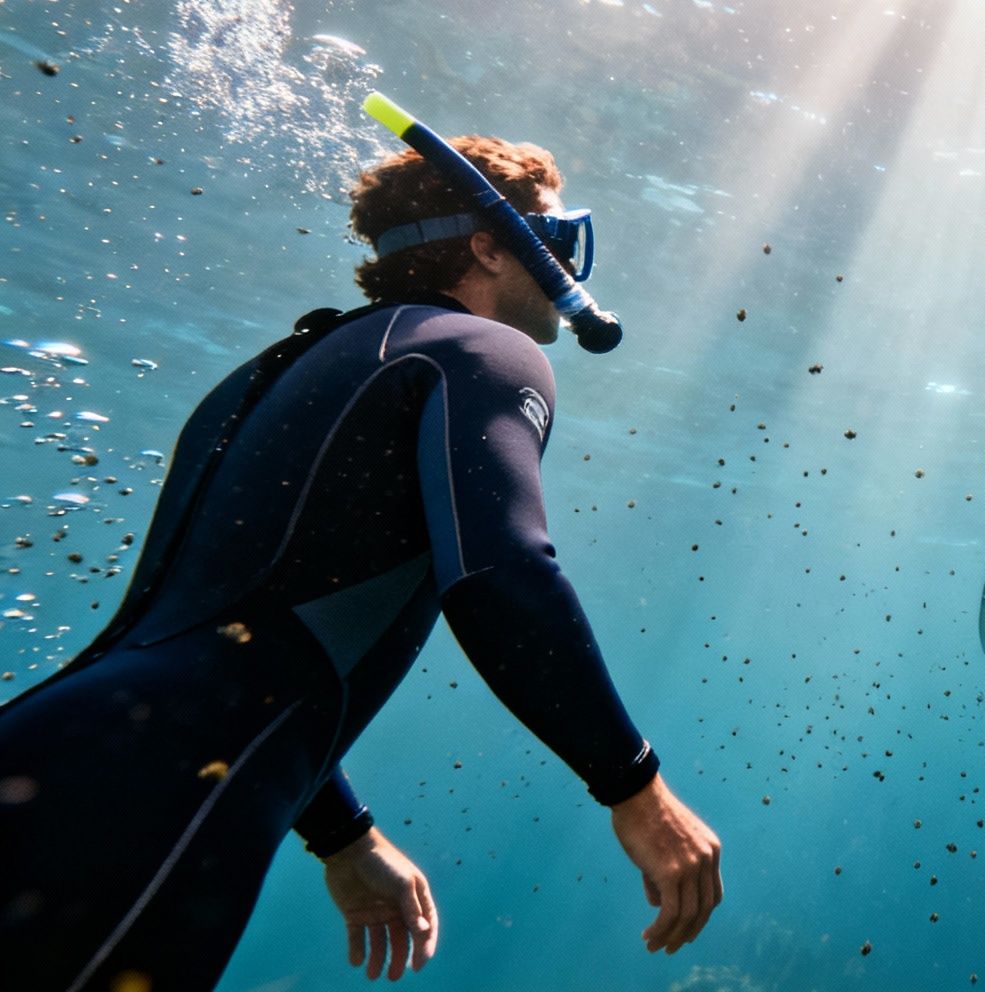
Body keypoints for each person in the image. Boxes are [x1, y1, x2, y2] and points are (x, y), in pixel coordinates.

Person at [0, 135, 721, 991]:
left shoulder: (265, 374)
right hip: (161, 800)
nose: (566, 261)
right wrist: (634, 787)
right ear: (491, 244)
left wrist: (344, 836)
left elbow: (235, 634)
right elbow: (499, 574)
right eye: (555, 235)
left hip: (50, 741)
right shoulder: (482, 352)